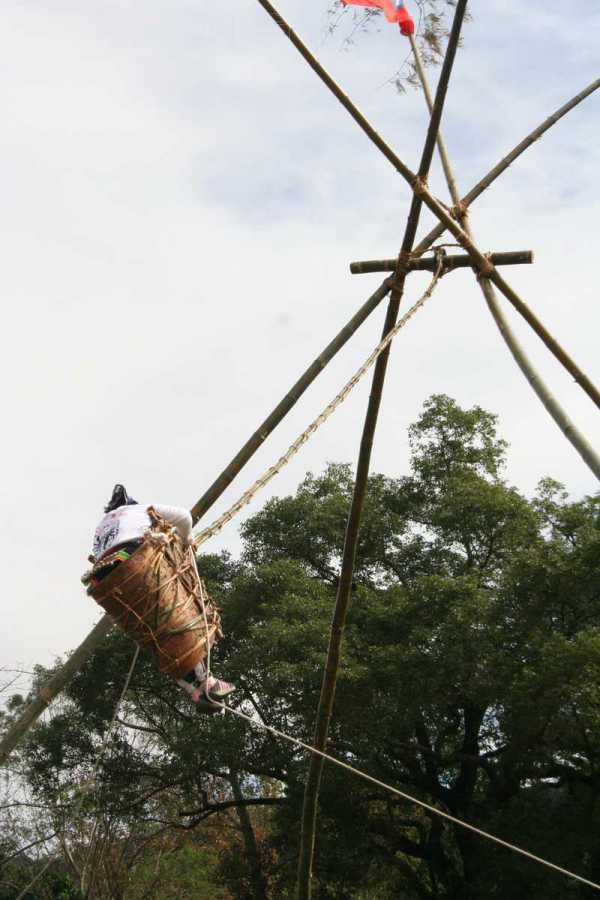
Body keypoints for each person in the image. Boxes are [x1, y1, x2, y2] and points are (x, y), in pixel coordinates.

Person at [88, 484, 235, 713]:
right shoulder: (138, 510)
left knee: (154, 637)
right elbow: (185, 517)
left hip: (105, 579)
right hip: (137, 559)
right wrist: (186, 541)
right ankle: (207, 681)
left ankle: (192, 690)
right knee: (177, 616)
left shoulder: (100, 529)